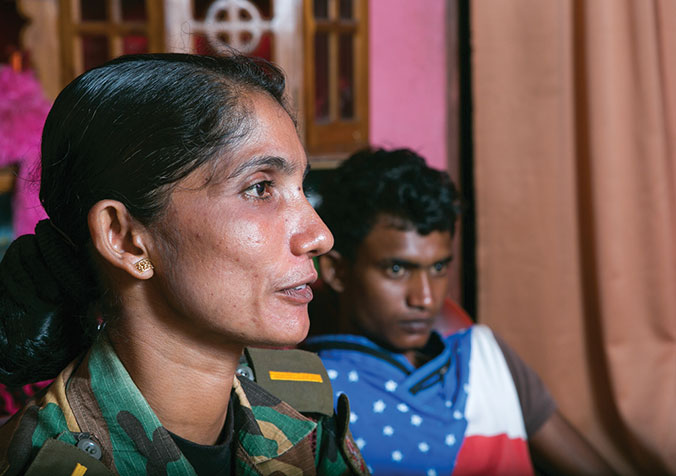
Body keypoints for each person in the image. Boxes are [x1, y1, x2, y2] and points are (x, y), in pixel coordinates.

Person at [0, 53, 368, 476]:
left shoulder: (301, 419)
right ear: (126, 239)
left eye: (301, 188)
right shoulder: (49, 465)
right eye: (260, 187)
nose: (319, 236)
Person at [303, 148, 615, 476]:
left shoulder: (484, 360)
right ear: (337, 272)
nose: (425, 298)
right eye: (397, 269)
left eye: (438, 268)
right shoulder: (310, 392)